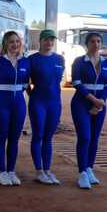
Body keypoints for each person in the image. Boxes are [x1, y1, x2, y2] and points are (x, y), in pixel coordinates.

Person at [0, 31, 30, 186]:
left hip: (19, 103)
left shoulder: (25, 62)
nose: (15, 44)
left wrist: (16, 94)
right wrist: (0, 97)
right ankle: (2, 172)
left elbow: (26, 83)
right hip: (2, 104)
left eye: (17, 41)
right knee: (1, 138)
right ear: (6, 44)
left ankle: (11, 171)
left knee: (14, 139)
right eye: (11, 41)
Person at [71, 32, 107, 189]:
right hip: (81, 104)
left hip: (100, 105)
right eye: (93, 41)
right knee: (85, 137)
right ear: (86, 44)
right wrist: (94, 101)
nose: (96, 44)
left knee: (94, 138)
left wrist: (101, 102)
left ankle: (89, 169)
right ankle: (81, 173)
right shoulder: (79, 62)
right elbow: (77, 83)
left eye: (99, 41)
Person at [28, 29, 65, 185]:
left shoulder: (59, 59)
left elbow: (58, 81)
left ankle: (47, 170)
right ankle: (39, 171)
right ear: (40, 41)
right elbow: (25, 83)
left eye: (52, 40)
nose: (49, 43)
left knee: (49, 137)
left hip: (55, 103)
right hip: (38, 102)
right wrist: (34, 96)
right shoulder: (32, 59)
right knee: (38, 135)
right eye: (46, 40)